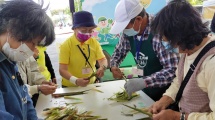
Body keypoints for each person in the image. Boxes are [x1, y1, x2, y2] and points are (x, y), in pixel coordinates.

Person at [149, 0, 215, 120]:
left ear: (181, 36)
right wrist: (165, 99)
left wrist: (177, 117)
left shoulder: (211, 64)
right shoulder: (186, 49)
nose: (166, 45)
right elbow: (180, 81)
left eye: (168, 41)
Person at [109, 0, 179, 101]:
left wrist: (144, 82)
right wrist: (113, 65)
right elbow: (119, 51)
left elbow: (172, 70)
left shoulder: (160, 31)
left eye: (125, 27)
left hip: (166, 95)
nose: (123, 31)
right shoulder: (129, 32)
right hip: (144, 89)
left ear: (138, 19)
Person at [0, 0, 55, 119]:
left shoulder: (10, 60)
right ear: (14, 30)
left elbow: (24, 98)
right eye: (33, 43)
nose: (34, 49)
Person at [59, 11, 107, 87]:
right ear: (74, 29)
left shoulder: (94, 43)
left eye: (90, 30)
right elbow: (62, 70)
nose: (87, 33)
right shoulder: (66, 45)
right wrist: (76, 81)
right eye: (83, 31)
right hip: (71, 87)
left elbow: (102, 60)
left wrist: (102, 67)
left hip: (91, 84)